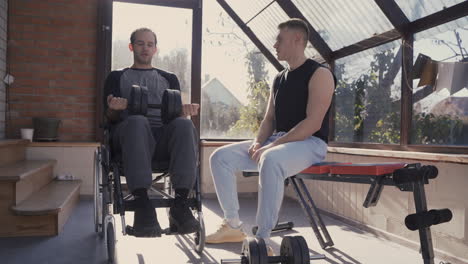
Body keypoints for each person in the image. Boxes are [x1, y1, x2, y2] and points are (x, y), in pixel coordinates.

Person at [206, 19, 335, 254]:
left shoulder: (320, 73)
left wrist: (272, 146)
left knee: (271, 158)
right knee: (219, 157)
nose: (274, 45)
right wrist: (258, 143)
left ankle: (262, 240)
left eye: (279, 39)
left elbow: (313, 123)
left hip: (310, 143)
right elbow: (268, 120)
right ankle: (233, 225)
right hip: (278, 141)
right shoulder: (279, 78)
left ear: (297, 40)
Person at [103, 28, 200, 237]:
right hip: (130, 140)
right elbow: (109, 119)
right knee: (137, 121)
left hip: (161, 141)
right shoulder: (116, 77)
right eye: (140, 43)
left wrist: (183, 112)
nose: (145, 48)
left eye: (149, 44)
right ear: (131, 47)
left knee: (184, 125)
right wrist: (114, 109)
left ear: (155, 49)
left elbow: (174, 118)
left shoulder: (169, 78)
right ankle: (142, 204)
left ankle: (180, 205)